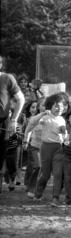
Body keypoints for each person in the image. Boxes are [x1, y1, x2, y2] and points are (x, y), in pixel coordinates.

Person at [31, 93, 68, 201]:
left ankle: (55, 197)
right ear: (50, 106)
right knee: (45, 175)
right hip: (46, 148)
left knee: (58, 174)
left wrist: (65, 135)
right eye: (56, 106)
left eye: (61, 106)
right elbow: (34, 122)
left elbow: (64, 134)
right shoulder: (45, 117)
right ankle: (38, 194)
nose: (59, 108)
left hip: (59, 148)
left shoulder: (62, 119)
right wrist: (42, 114)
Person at [0, 55, 25, 193]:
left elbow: (20, 98)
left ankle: (12, 177)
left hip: (4, 123)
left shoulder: (7, 78)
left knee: (9, 153)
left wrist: (14, 120)